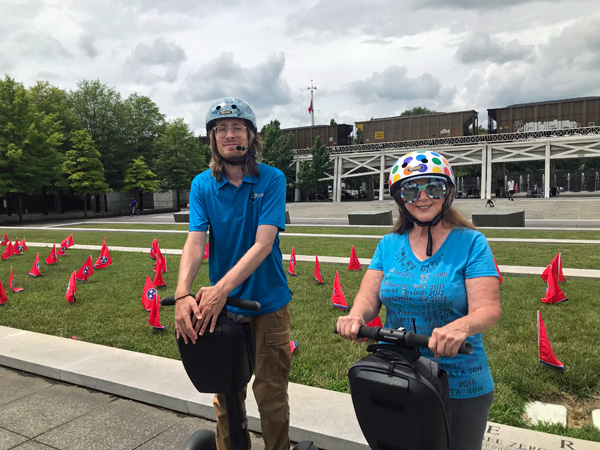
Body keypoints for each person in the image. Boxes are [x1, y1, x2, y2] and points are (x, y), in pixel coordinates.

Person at [337, 150, 501, 450]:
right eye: (411, 189)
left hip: (460, 379)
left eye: (433, 188)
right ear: (400, 198)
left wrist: (460, 328)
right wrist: (356, 315)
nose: (422, 197)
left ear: (447, 192)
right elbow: (369, 296)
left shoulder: (471, 242)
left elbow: (488, 308)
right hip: (397, 372)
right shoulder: (389, 244)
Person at [174, 97, 292, 450]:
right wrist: (182, 293)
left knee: (271, 397)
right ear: (212, 138)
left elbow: (263, 243)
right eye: (220, 129)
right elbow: (196, 243)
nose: (229, 134)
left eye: (237, 127)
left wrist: (221, 288)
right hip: (222, 309)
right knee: (225, 396)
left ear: (251, 136)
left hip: (267, 304)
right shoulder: (202, 185)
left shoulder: (271, 179)